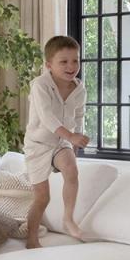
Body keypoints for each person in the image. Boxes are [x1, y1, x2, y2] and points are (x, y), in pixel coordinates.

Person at [23, 35, 89, 248]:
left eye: (75, 61)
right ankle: (31, 238)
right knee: (42, 198)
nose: (71, 66)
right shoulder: (40, 85)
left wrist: (76, 138)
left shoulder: (79, 89)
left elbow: (79, 114)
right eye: (64, 62)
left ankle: (68, 218)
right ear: (49, 65)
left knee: (72, 170)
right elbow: (47, 117)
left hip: (61, 143)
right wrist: (71, 136)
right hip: (38, 144)